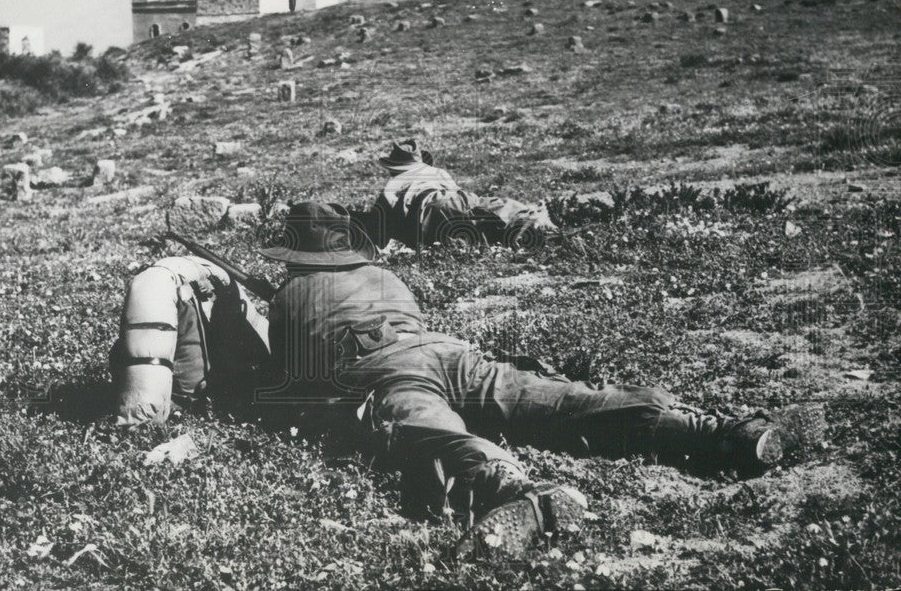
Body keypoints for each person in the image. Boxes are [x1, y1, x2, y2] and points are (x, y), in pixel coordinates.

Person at [260, 202, 783, 558]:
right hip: (447, 351)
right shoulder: (385, 276)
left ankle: (517, 492)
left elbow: (296, 381)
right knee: (553, 400)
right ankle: (710, 431)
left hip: (383, 370)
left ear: (297, 253)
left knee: (432, 430)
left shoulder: (288, 297)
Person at [362, 139, 556, 250]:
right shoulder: (436, 172)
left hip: (425, 221)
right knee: (484, 209)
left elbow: (381, 222)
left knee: (466, 233)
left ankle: (515, 232)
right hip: (450, 201)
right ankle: (527, 222)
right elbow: (455, 193)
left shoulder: (392, 184)